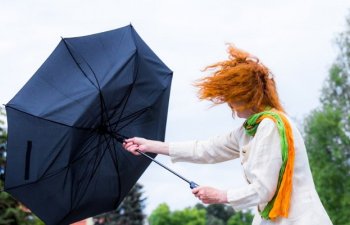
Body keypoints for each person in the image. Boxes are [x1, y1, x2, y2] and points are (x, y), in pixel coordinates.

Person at [122, 45, 332, 225]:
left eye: (232, 96)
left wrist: (221, 196)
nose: (228, 103)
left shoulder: (270, 126)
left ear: (248, 95)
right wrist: (150, 145)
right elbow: (205, 149)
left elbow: (263, 189)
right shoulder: (251, 129)